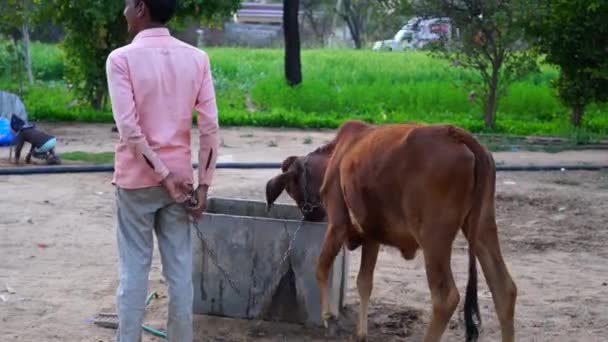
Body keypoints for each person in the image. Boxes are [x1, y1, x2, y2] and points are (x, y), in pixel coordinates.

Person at [105, 0, 220, 341]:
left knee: (134, 272)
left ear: (141, 7)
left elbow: (128, 129)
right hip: (182, 183)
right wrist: (202, 186)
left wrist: (162, 177)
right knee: (180, 273)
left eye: (127, 3)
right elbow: (210, 126)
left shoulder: (121, 59)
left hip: (136, 182)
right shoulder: (197, 59)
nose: (123, 10)